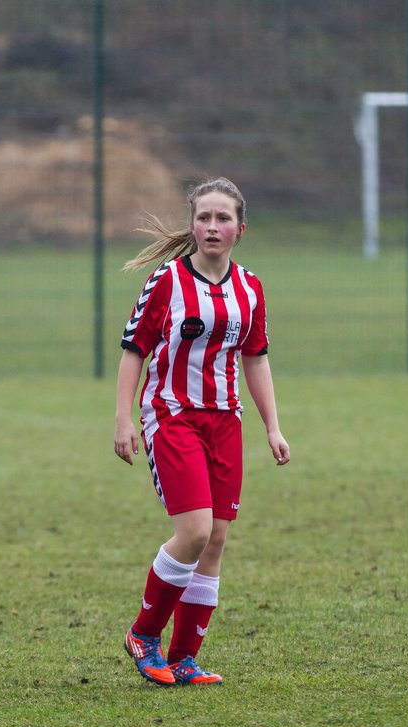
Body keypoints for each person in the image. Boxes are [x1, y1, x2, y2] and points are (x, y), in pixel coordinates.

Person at [115, 177, 290, 687]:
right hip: (172, 416)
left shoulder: (249, 288)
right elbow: (134, 350)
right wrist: (124, 420)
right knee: (192, 532)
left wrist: (273, 428)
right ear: (192, 225)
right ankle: (144, 634)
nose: (212, 227)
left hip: (225, 420)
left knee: (215, 540)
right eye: (204, 217)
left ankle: (185, 656)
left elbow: (256, 359)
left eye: (223, 218)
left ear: (240, 228)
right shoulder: (167, 281)